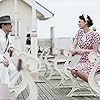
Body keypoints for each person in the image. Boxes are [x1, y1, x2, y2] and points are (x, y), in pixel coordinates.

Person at [69, 14, 100, 82]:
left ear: (86, 22)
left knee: (77, 70)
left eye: (80, 22)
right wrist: (73, 50)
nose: (78, 23)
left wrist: (82, 50)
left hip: (92, 60)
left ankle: (95, 85)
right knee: (74, 70)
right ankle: (94, 85)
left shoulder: (94, 34)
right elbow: (72, 46)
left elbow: (94, 51)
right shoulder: (79, 33)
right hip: (83, 60)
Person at [0, 15, 17, 85]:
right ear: (3, 25)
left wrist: (11, 47)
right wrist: (2, 60)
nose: (11, 26)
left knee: (14, 69)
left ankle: (9, 88)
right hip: (1, 60)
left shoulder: (7, 35)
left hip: (3, 60)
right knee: (4, 68)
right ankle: (4, 93)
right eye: (9, 24)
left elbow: (10, 43)